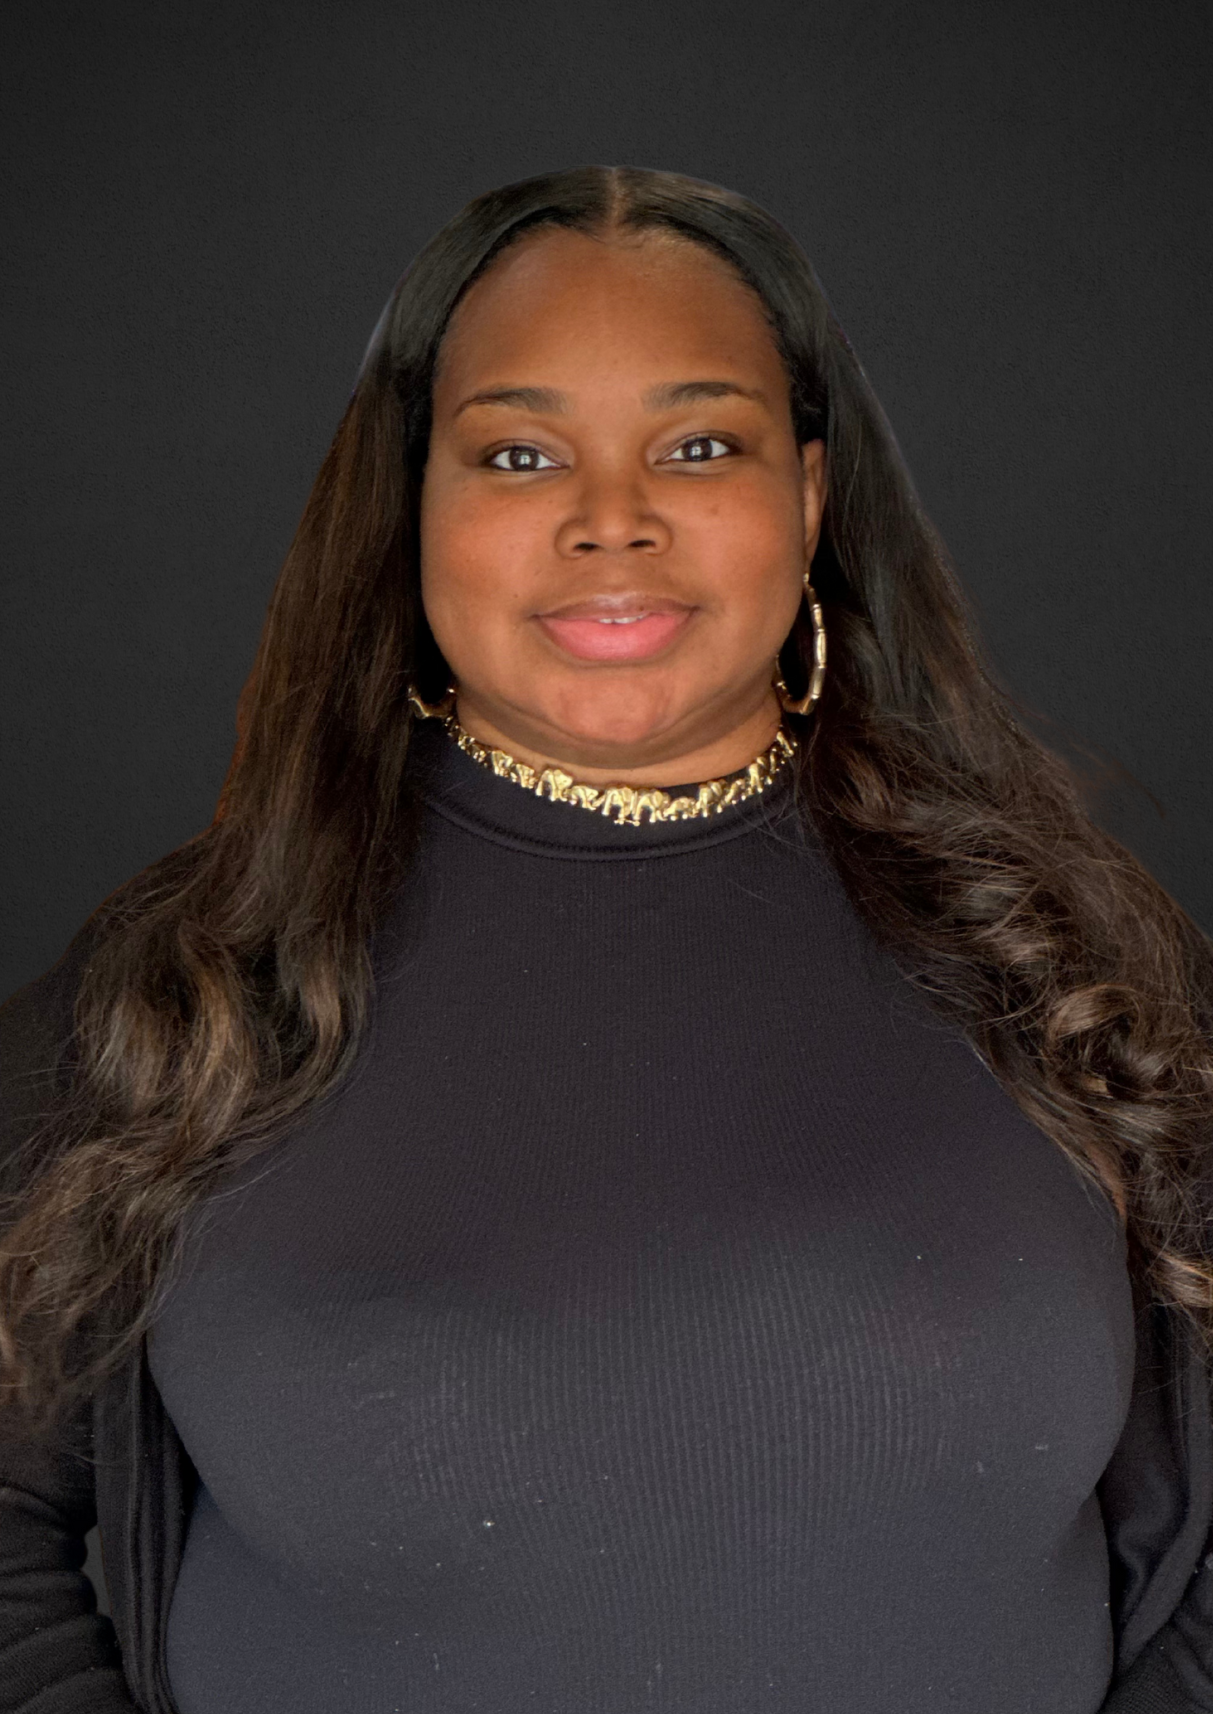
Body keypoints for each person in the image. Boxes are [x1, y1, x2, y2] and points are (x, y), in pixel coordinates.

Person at [1, 165, 1211, 1714]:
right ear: (411, 505)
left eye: (700, 445)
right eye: (519, 454)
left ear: (809, 497)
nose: (612, 519)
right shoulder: (190, 990)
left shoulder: (1072, 968)